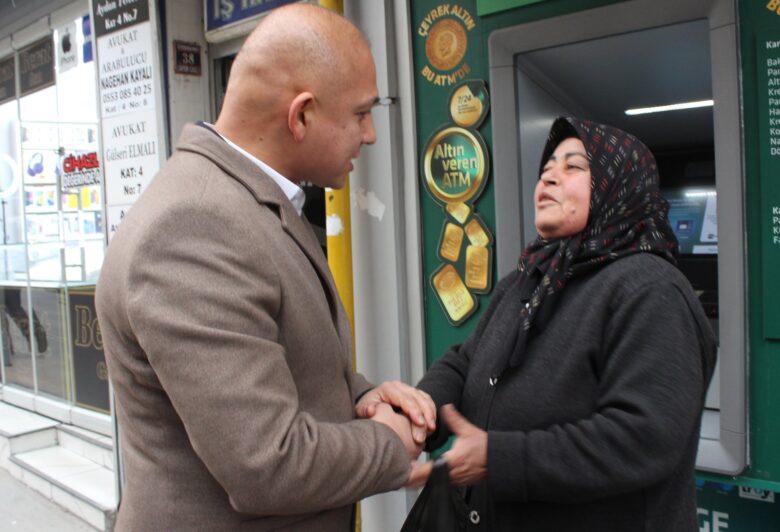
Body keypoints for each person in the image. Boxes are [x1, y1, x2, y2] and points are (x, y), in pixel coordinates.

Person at [95, 5, 435, 530]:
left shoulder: (246, 201)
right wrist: (388, 442)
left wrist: (363, 397)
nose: (369, 135)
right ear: (300, 116)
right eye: (361, 114)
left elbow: (280, 358)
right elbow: (266, 464)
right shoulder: (195, 227)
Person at [375, 117, 717, 530]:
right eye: (546, 169)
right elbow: (466, 362)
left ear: (618, 185)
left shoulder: (652, 290)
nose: (550, 177)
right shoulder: (531, 277)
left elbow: (643, 438)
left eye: (573, 166)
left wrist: (499, 459)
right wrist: (416, 416)